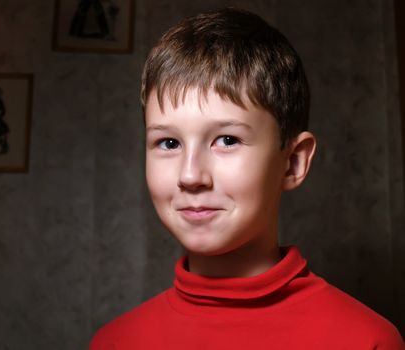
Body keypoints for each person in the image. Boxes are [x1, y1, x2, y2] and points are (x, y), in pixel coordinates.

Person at [89, 7, 405, 349]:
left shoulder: (366, 340)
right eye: (169, 142)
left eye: (227, 140)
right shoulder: (114, 343)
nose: (190, 175)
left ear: (293, 162)